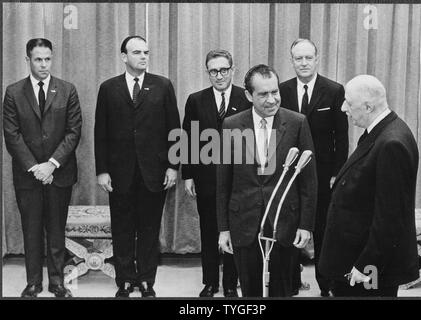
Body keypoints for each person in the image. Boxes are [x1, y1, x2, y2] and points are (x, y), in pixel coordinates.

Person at [217, 64, 317, 297]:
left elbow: (309, 182)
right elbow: (223, 183)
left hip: (284, 225)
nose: (272, 99)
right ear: (249, 95)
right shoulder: (231, 125)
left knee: (282, 290)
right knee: (251, 293)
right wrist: (223, 229)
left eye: (275, 92)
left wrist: (306, 225)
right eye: (263, 94)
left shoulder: (297, 123)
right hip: (244, 223)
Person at [94, 36, 181, 298]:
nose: (143, 56)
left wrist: (173, 166)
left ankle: (146, 281)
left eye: (146, 52)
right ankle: (124, 280)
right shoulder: (108, 88)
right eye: (136, 52)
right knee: (122, 228)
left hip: (154, 172)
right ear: (124, 56)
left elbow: (174, 130)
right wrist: (102, 170)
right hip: (119, 173)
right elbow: (101, 132)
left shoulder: (162, 86)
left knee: (148, 228)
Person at [318, 75, 419, 297]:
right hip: (353, 258)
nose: (344, 108)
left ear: (368, 106)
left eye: (349, 103)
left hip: (366, 268)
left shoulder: (392, 143)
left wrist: (365, 267)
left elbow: (390, 219)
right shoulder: (379, 132)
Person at [3, 38, 82, 298]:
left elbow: (73, 132)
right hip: (28, 176)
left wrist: (51, 165)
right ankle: (33, 283)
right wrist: (35, 168)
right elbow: (11, 135)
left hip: (59, 173)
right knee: (32, 229)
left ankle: (57, 282)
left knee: (57, 229)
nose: (44, 64)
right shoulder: (13, 92)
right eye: (38, 59)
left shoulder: (67, 90)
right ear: (28, 60)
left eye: (48, 58)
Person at [279, 38, 349, 296]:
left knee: (321, 230)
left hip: (322, 176)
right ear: (292, 61)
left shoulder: (334, 90)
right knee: (287, 228)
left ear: (317, 58)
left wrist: (337, 173)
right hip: (289, 174)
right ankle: (290, 283)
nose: (304, 63)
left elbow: (341, 137)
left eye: (309, 57)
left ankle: (325, 285)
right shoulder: (281, 90)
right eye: (299, 58)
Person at [182, 49, 248, 297]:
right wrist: (188, 175)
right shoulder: (196, 100)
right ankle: (210, 282)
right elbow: (187, 139)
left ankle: (231, 284)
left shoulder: (246, 98)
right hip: (206, 178)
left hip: (240, 179)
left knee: (236, 230)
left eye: (223, 70)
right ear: (207, 72)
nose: (219, 75)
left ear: (233, 70)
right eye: (213, 71)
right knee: (209, 230)